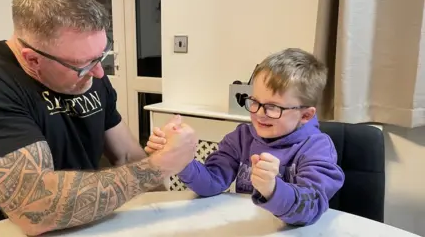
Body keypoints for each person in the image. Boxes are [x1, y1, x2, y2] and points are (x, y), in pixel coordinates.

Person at [0, 0, 197, 236]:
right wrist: (158, 167)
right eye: (85, 64)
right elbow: (36, 209)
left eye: (101, 56)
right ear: (32, 60)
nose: (99, 73)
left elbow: (127, 156)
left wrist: (168, 219)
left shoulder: (89, 71)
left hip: (83, 226)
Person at [145, 48, 346, 226]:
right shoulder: (242, 136)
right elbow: (213, 182)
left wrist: (273, 188)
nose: (259, 113)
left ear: (306, 115)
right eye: (254, 101)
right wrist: (182, 162)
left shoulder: (317, 147)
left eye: (273, 107)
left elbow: (311, 208)